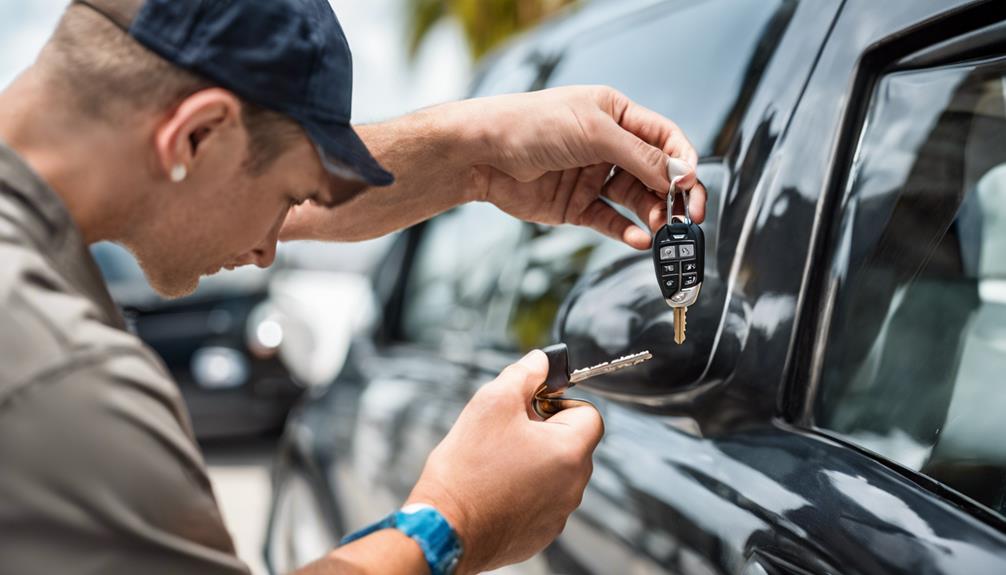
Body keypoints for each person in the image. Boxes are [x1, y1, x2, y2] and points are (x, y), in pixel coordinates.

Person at [0, 1, 706, 574]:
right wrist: (452, 520)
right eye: (288, 198)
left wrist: (476, 161)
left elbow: (222, 180)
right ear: (192, 138)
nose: (273, 245)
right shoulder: (59, 368)